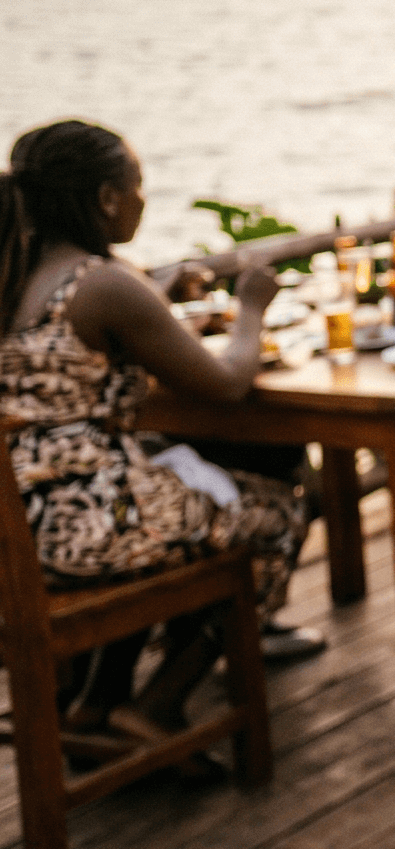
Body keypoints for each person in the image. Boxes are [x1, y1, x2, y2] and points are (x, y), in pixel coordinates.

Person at [1, 120, 309, 754]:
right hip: (89, 532)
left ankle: (94, 699)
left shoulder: (11, 280)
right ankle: (160, 700)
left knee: (180, 488)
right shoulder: (103, 284)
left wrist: (159, 295)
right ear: (109, 198)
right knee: (275, 510)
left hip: (16, 540)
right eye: (137, 187)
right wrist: (252, 304)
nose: (144, 200)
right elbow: (226, 384)